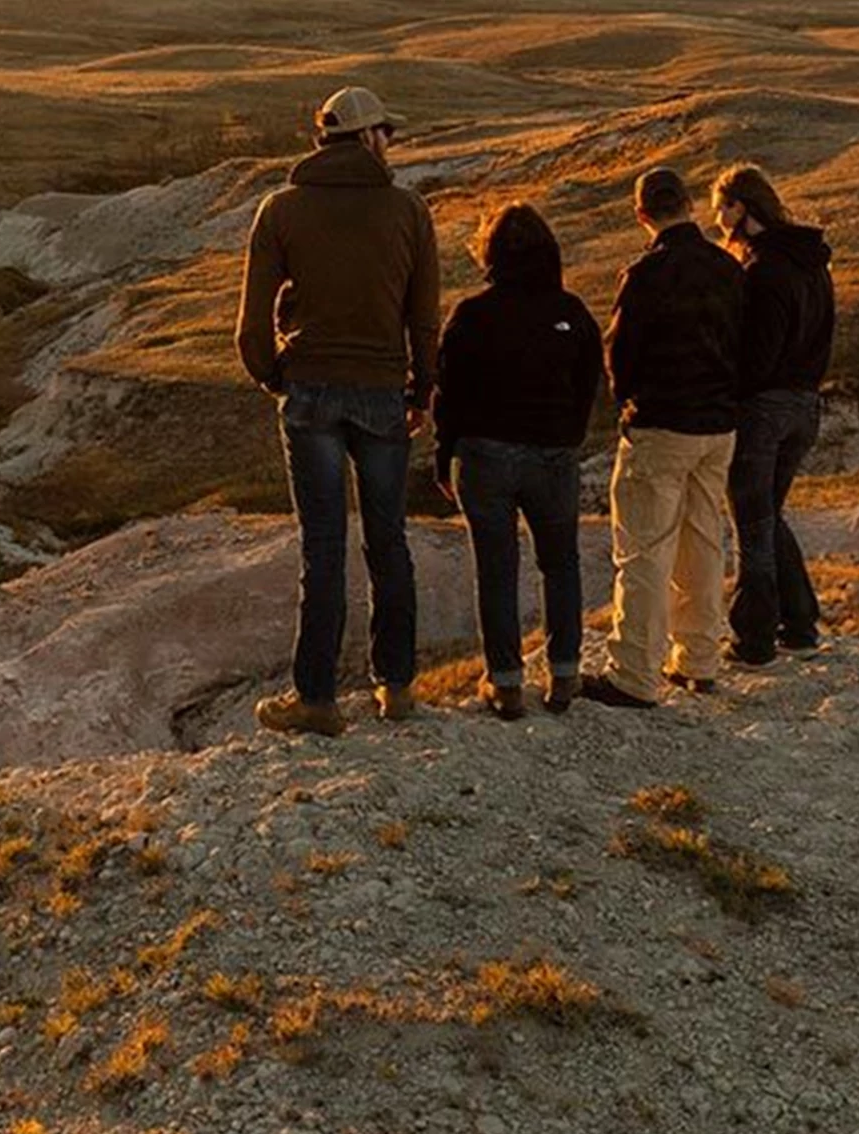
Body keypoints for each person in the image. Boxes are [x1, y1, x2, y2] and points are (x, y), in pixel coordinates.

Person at [235, 85, 440, 736]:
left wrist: (278, 379)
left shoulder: (280, 209)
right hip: (382, 391)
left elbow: (249, 328)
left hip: (312, 391)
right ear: (369, 138)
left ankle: (318, 699)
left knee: (322, 548)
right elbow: (425, 322)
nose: (394, 147)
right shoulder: (409, 212)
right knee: (389, 543)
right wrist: (421, 392)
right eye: (389, 134)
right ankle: (397, 688)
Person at [583, 166, 745, 710]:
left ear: (641, 215)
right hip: (718, 423)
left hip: (662, 423)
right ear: (691, 205)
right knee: (702, 539)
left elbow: (620, 352)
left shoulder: (646, 274)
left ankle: (633, 672)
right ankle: (699, 659)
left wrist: (628, 402)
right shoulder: (728, 267)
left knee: (645, 550)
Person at [433, 203, 602, 718]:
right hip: (553, 452)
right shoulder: (571, 313)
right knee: (561, 563)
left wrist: (445, 457)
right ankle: (565, 673)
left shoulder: (473, 314)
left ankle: (505, 683)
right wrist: (568, 436)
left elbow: (450, 394)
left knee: (497, 568)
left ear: (490, 255)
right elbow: (589, 383)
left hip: (485, 454)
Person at [712, 163, 834, 664]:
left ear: (741, 209)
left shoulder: (761, 271)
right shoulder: (811, 263)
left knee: (752, 523)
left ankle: (754, 637)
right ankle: (800, 622)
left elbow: (757, 357)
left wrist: (728, 391)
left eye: (721, 208)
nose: (717, 218)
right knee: (767, 514)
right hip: (806, 405)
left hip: (764, 409)